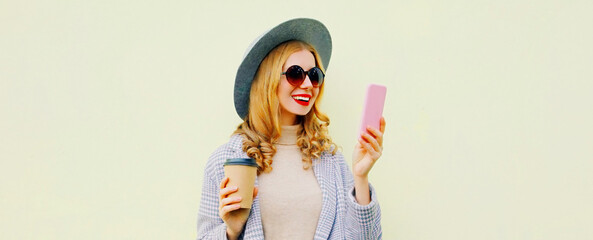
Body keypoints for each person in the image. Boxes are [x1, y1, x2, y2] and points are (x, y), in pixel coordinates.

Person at [197, 18, 385, 240]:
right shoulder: (225, 161)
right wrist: (232, 231)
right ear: (268, 79)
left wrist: (360, 177)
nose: (307, 85)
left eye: (314, 75)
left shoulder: (331, 161)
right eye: (296, 73)